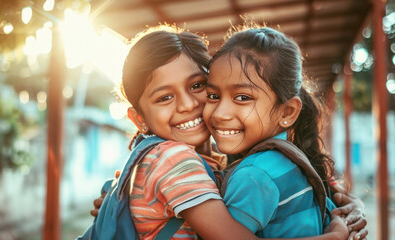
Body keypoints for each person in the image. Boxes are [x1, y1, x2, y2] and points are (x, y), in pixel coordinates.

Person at [90, 25, 366, 240]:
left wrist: (350, 204)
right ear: (139, 119)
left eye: (198, 87)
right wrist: (335, 235)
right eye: (164, 98)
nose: (188, 105)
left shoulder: (223, 162)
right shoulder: (175, 160)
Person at [202, 26, 362, 238]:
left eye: (242, 97)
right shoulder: (289, 160)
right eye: (213, 96)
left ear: (287, 111)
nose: (220, 113)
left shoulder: (255, 174)